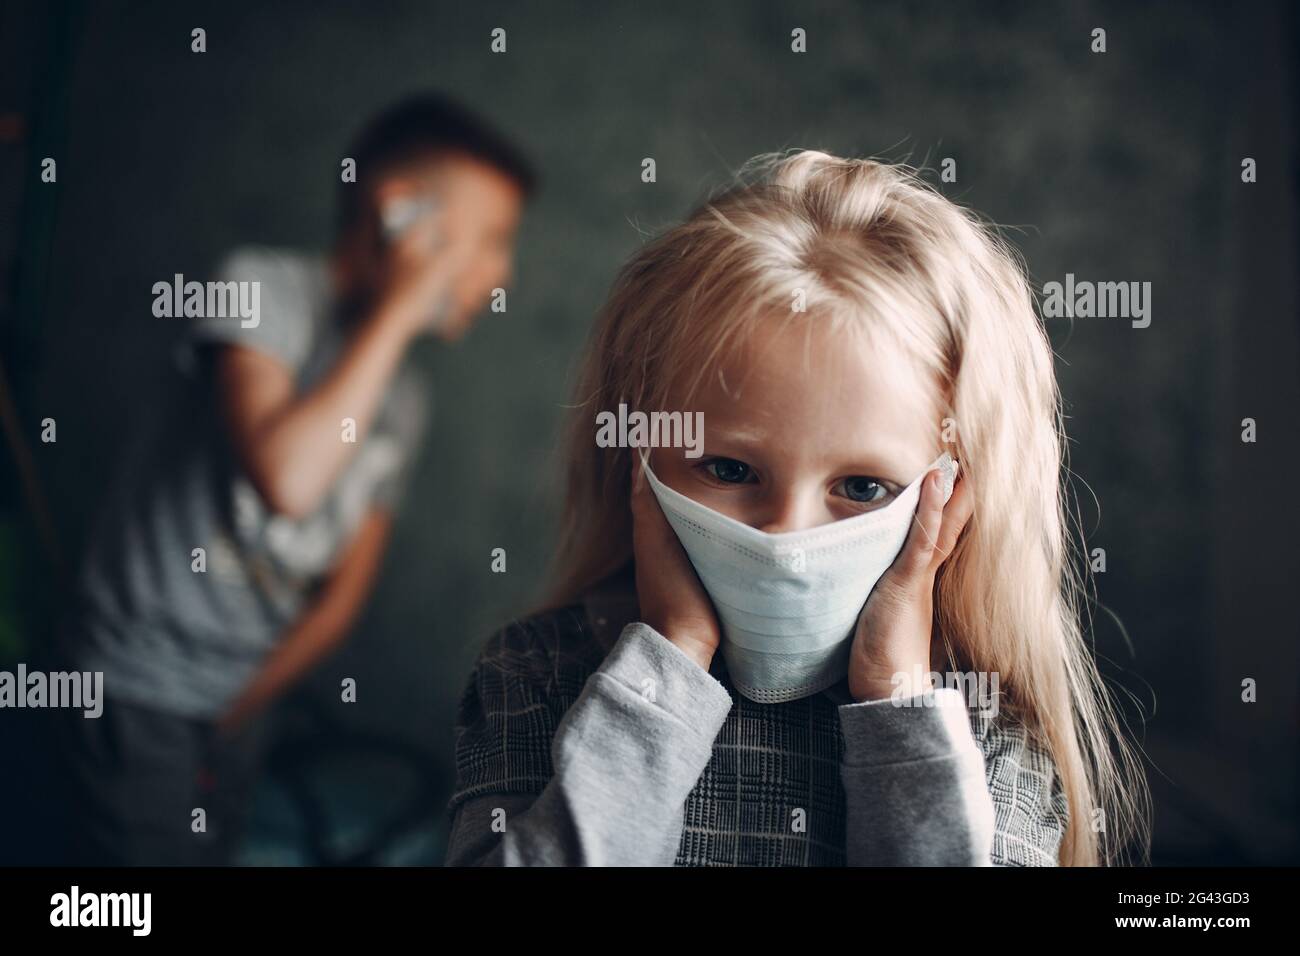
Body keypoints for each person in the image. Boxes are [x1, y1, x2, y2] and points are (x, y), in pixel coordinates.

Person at [445, 149, 1150, 866]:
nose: (787, 539)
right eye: (729, 468)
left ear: (957, 492)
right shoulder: (537, 676)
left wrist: (899, 712)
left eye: (863, 487)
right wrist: (668, 674)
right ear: (640, 451)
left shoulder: (983, 730)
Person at [50, 93, 535, 865]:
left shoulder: (403, 398)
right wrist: (407, 301)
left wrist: (237, 710)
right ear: (397, 216)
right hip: (135, 689)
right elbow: (288, 479)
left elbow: (337, 602)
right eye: (491, 240)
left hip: (241, 704)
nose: (500, 271)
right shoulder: (258, 289)